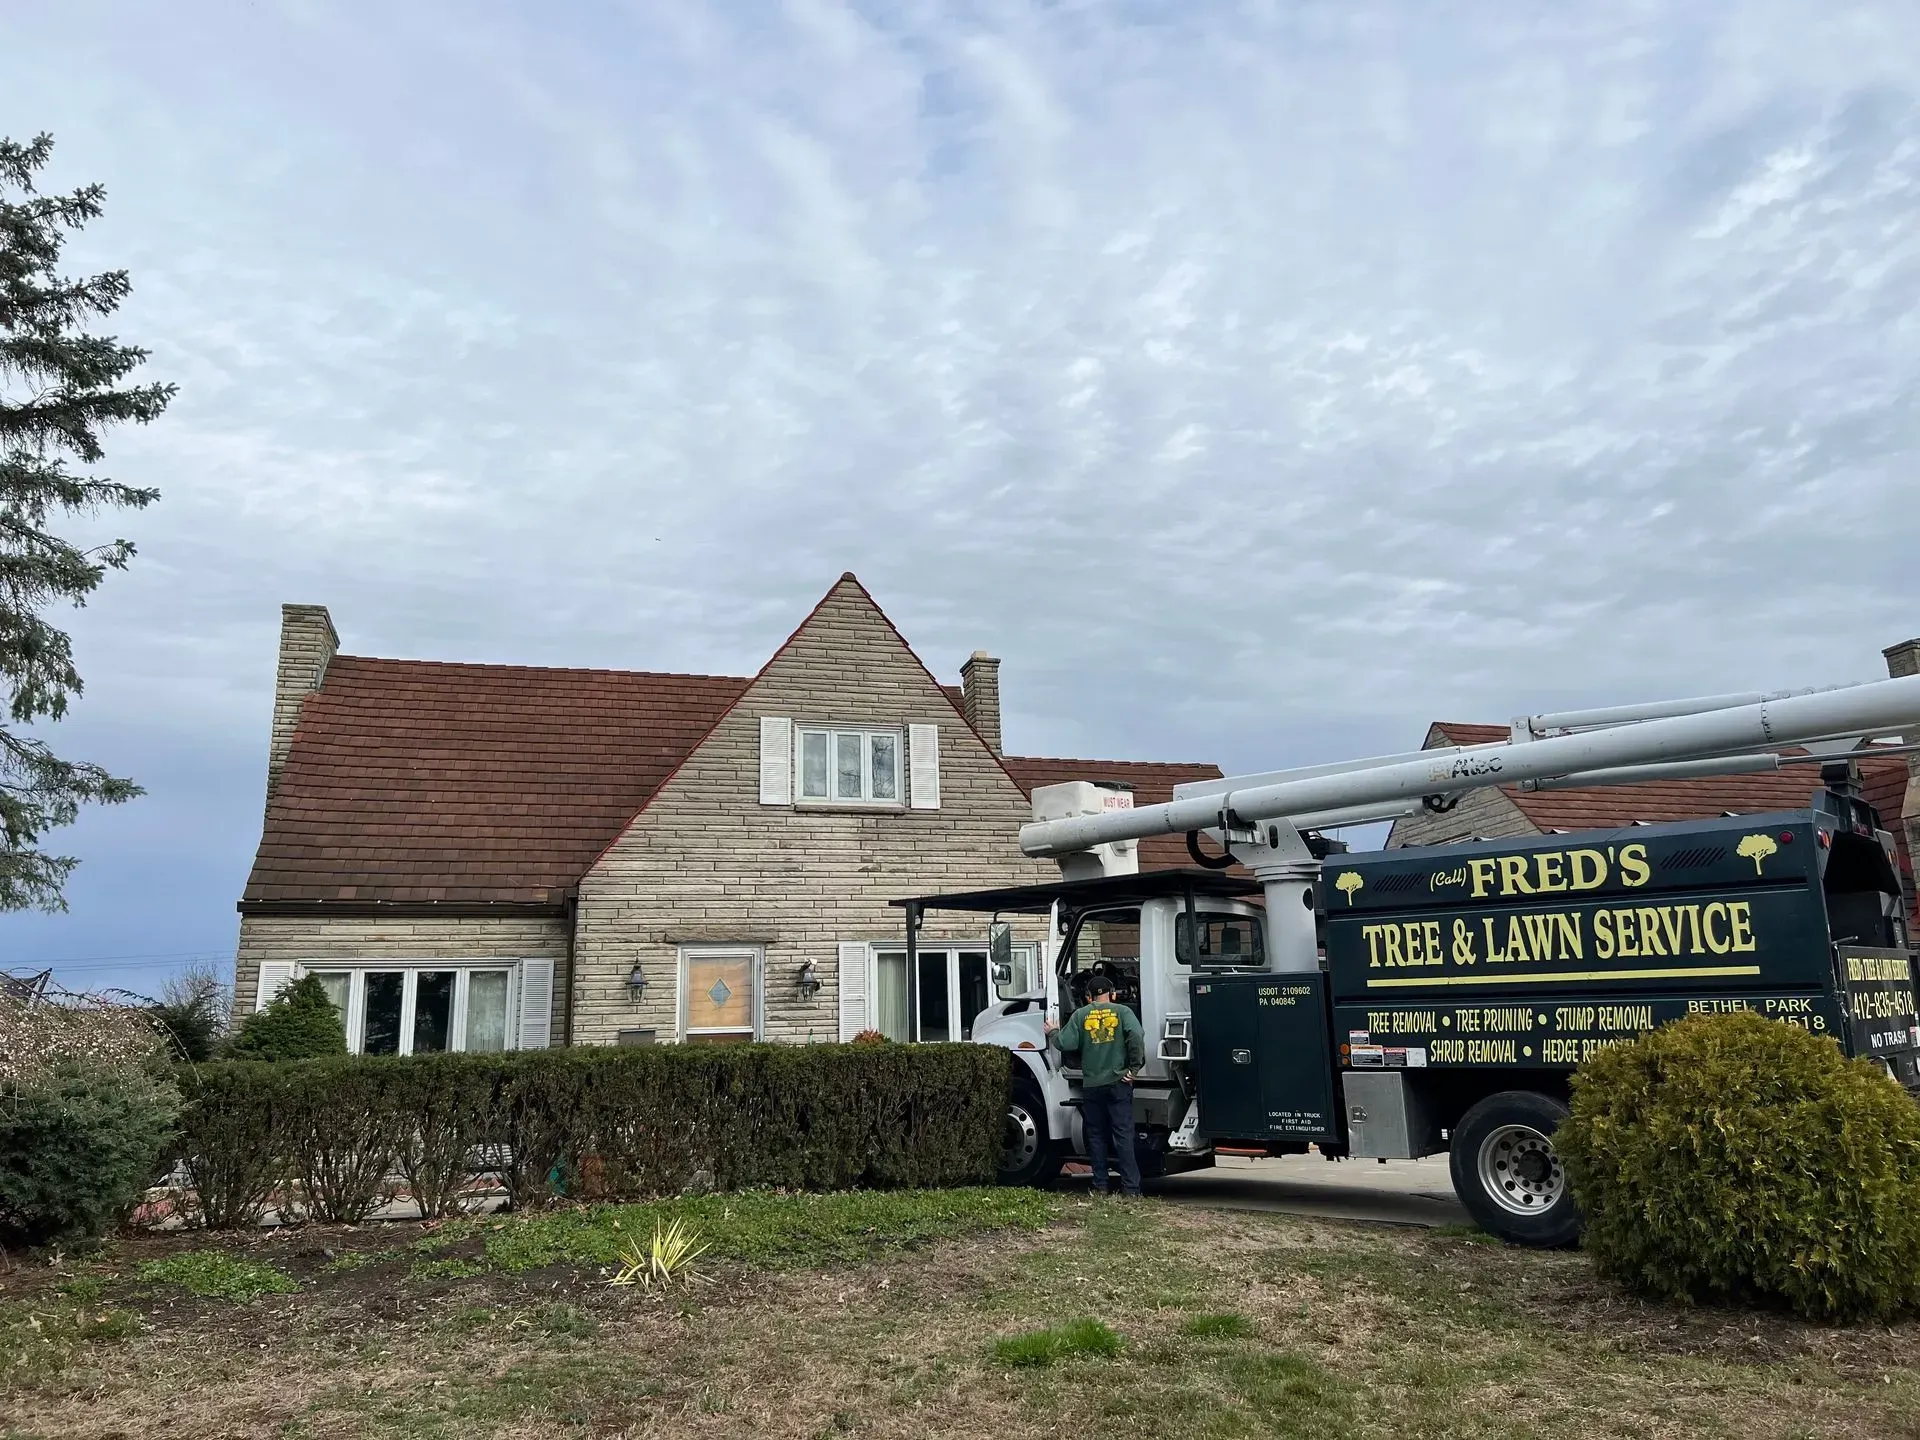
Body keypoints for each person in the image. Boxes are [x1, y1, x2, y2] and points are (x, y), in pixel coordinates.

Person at [1044, 974, 1147, 1198]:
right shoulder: (1123, 1012)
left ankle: (1100, 1186)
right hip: (1118, 1083)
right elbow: (1136, 1036)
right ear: (1112, 994)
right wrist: (1134, 1067)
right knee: (1123, 1136)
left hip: (1092, 1085)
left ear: (1089, 997)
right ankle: (1131, 1189)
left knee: (1096, 1137)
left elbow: (1065, 1043)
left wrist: (1052, 1031)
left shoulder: (1081, 1015)